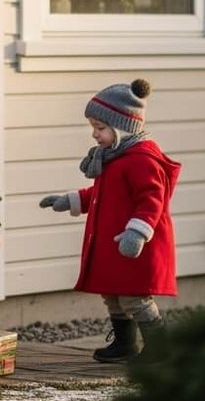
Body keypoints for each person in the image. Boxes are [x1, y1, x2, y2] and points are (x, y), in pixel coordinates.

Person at [39, 78, 181, 362]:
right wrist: (70, 200)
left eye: (100, 128)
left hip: (134, 245)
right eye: (93, 127)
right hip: (114, 246)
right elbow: (101, 194)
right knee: (113, 294)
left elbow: (152, 199)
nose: (94, 134)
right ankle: (125, 344)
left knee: (134, 297)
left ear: (123, 128)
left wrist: (137, 233)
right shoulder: (115, 157)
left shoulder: (141, 160)